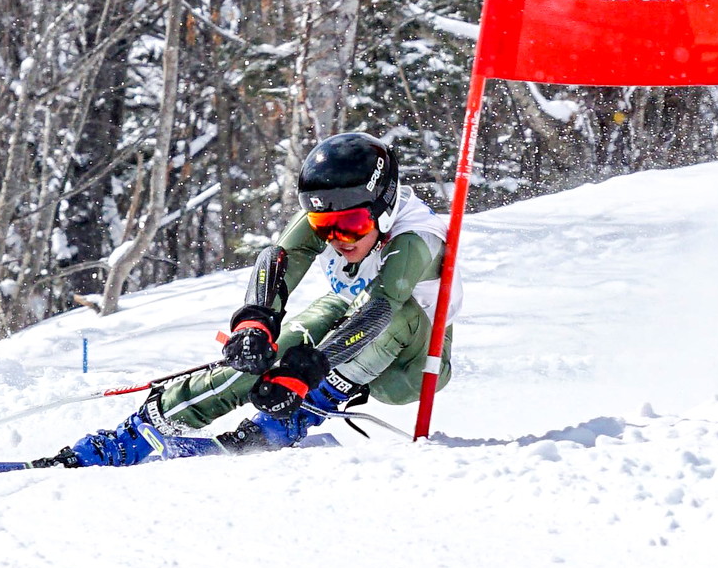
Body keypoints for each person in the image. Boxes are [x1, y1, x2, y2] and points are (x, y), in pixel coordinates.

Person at [37, 131, 458, 465]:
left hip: (413, 360)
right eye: (323, 226)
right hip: (349, 315)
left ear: (383, 208)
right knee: (271, 352)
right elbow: (276, 259)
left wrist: (309, 371)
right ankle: (142, 431)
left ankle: (304, 409)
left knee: (380, 319)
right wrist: (255, 325)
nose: (337, 239)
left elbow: (380, 308)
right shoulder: (343, 207)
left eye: (348, 226)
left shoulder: (415, 238)